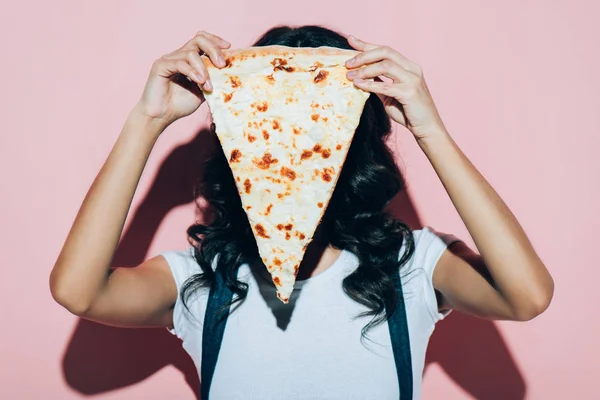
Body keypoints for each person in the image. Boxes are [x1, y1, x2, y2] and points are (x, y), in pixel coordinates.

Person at [50, 25, 554, 399]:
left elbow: (527, 296)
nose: (291, 153)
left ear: (350, 148)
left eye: (315, 132)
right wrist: (147, 120)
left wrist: (431, 132)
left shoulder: (412, 267)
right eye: (265, 131)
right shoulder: (206, 279)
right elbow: (78, 290)